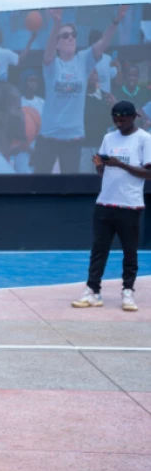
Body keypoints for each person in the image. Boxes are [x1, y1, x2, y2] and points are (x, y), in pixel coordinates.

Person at [72, 101, 151, 312]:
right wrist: (100, 165)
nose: (118, 122)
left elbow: (149, 174)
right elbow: (103, 172)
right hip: (105, 202)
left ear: (133, 117)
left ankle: (128, 292)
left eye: (122, 118)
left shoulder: (145, 139)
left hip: (130, 204)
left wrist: (120, 164)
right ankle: (93, 291)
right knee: (98, 250)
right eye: (115, 118)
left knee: (129, 251)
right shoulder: (109, 138)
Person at [35, 6, 127, 174]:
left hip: (73, 138)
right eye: (65, 36)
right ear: (57, 44)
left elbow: (102, 44)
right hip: (49, 136)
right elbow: (47, 53)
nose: (70, 38)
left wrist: (116, 21)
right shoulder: (52, 65)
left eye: (73, 35)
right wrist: (56, 24)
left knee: (69, 189)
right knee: (40, 186)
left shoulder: (83, 60)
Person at [82, 70, 117, 174]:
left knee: (101, 180)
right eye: (88, 73)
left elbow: (114, 121)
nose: (91, 76)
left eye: (94, 73)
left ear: (97, 77)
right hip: (84, 148)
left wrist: (114, 105)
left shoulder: (106, 97)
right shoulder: (78, 98)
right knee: (84, 181)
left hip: (101, 148)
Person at [89, 29, 120, 94]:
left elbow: (117, 81)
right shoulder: (84, 60)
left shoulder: (108, 59)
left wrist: (118, 66)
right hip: (90, 98)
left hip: (105, 99)